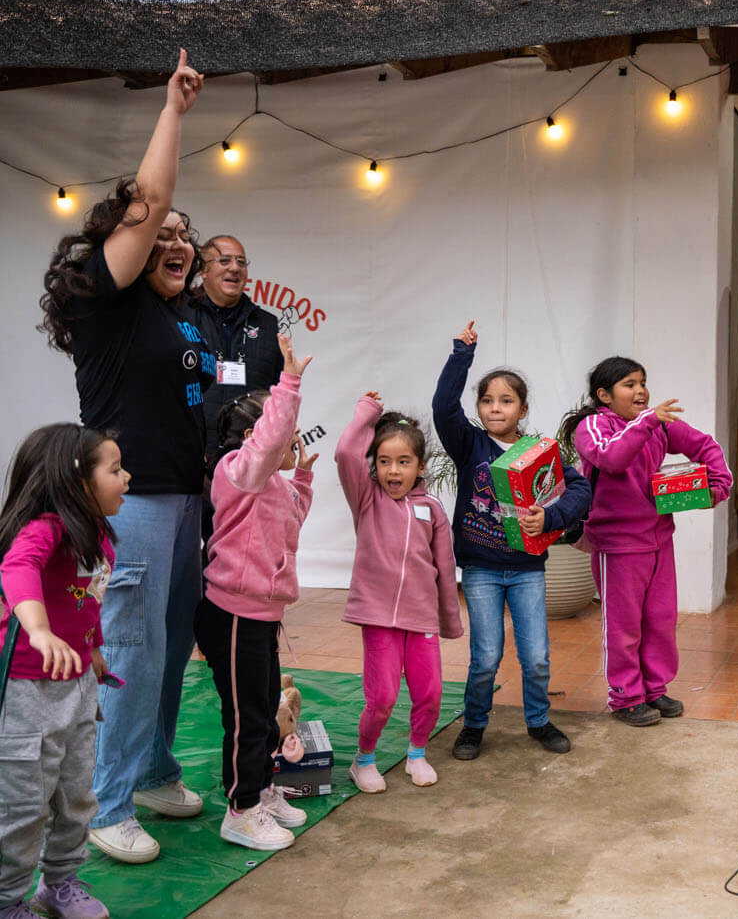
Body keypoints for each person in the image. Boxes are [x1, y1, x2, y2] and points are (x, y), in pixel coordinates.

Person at [38, 50, 212, 863]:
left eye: (186, 239)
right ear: (122, 247)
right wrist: (173, 112)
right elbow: (148, 204)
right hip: (134, 506)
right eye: (160, 236)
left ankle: (151, 772)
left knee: (173, 650)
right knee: (134, 657)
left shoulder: (177, 321)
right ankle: (107, 806)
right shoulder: (102, 302)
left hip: (184, 504)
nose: (175, 240)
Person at [432, 320, 591, 761]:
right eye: (487, 400)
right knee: (485, 658)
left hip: (527, 571)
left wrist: (551, 516)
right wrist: (461, 355)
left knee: (537, 658)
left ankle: (538, 721)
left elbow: (579, 489)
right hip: (481, 569)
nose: (495, 408)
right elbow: (444, 408)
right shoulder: (469, 446)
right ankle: (474, 725)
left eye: (506, 401)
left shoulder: (539, 452)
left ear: (522, 409)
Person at [561, 357, 732, 727]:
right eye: (629, 384)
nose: (640, 391)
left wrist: (718, 482)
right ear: (604, 395)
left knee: (660, 619)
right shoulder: (592, 427)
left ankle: (654, 689)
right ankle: (625, 696)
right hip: (616, 544)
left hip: (659, 539)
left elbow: (703, 445)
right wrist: (648, 421)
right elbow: (613, 459)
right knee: (623, 625)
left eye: (642, 382)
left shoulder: (656, 425)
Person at [196, 334, 316, 852]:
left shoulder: (273, 484)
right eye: (279, 431)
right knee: (246, 717)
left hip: (263, 614)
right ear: (254, 434)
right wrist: (288, 383)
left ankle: (263, 791)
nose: (288, 439)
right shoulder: (236, 472)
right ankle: (241, 810)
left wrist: (304, 478)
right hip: (234, 614)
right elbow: (268, 444)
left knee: (266, 708)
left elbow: (291, 522)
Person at [0, 424, 126, 919]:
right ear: (77, 482)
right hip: (27, 691)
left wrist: (91, 647)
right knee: (24, 805)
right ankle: (8, 899)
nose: (126, 477)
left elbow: (86, 598)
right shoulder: (47, 527)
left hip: (76, 685)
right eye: (114, 469)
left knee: (76, 795)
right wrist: (38, 630)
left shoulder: (97, 533)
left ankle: (59, 882)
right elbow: (17, 568)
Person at [336, 396, 463, 792]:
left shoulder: (433, 510)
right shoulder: (367, 498)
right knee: (383, 697)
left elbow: (445, 570)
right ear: (374, 465)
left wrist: (449, 621)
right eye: (385, 461)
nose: (393, 470)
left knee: (431, 693)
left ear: (420, 467)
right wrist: (366, 414)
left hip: (421, 618)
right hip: (378, 618)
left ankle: (417, 754)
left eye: (404, 461)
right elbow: (344, 452)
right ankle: (365, 759)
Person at [187, 234, 283, 464]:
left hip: (250, 460)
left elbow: (276, 393)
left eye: (241, 262)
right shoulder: (182, 315)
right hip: (190, 458)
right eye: (224, 261)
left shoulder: (267, 324)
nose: (235, 268)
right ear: (203, 271)